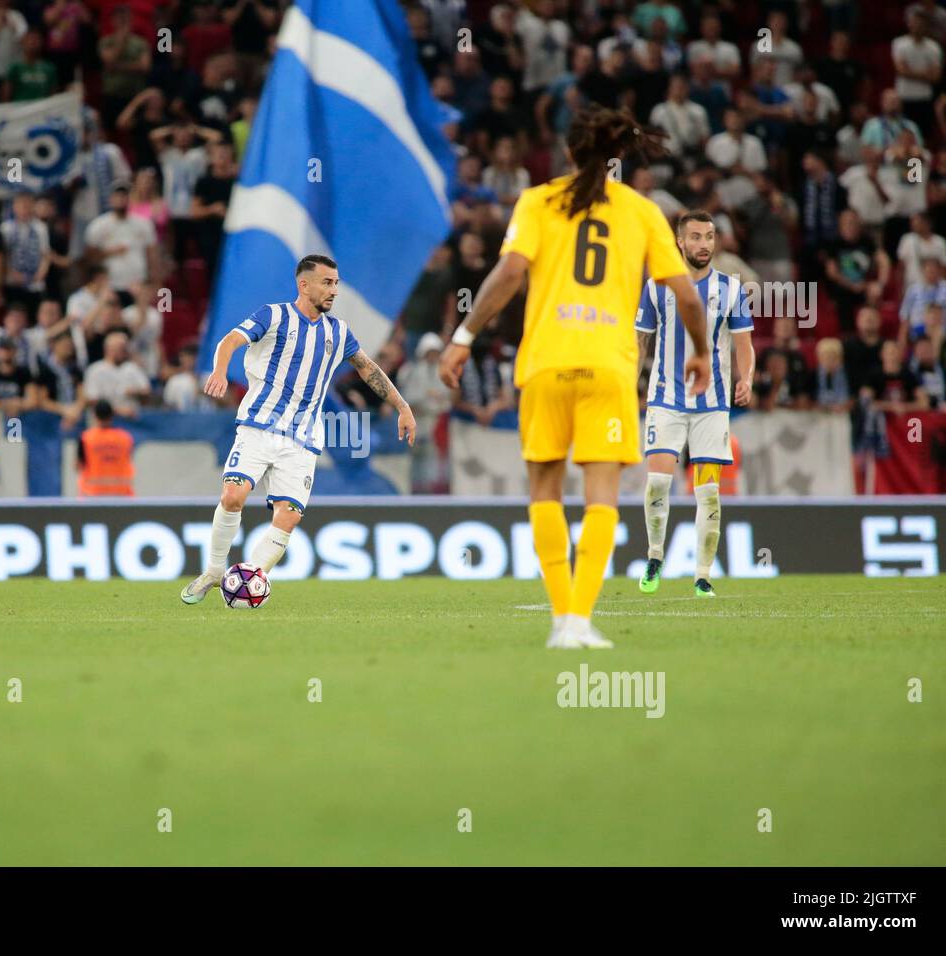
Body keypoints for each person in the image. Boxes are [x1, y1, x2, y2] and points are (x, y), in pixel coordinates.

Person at [438, 106, 711, 649]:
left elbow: (510, 273)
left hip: (545, 365)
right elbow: (685, 294)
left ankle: (561, 618)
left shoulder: (537, 202)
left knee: (544, 488)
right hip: (609, 367)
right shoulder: (641, 211)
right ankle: (579, 622)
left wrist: (463, 337)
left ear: (567, 152)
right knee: (601, 495)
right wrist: (701, 351)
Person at [180, 255, 417, 604]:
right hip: (259, 426)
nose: (334, 290)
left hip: (303, 439)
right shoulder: (272, 315)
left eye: (336, 283)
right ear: (304, 285)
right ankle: (215, 570)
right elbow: (230, 339)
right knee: (233, 496)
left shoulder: (337, 332)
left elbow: (368, 369)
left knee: (287, 518)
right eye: (327, 282)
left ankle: (248, 582)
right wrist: (219, 370)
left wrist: (402, 406)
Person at [635, 210, 755, 597]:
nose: (704, 244)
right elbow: (641, 343)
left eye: (709, 237)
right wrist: (628, 382)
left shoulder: (731, 289)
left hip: (713, 404)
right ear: (680, 242)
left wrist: (746, 377)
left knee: (708, 493)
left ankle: (702, 575)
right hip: (666, 398)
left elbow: (744, 345)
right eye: (696, 237)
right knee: (657, 483)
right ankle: (655, 556)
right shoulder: (656, 287)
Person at [76, 399, 135, 496]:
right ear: (112, 415)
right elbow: (128, 460)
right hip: (121, 494)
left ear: (95, 416)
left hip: (92, 494)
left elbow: (78, 465)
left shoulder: (86, 438)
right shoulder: (125, 438)